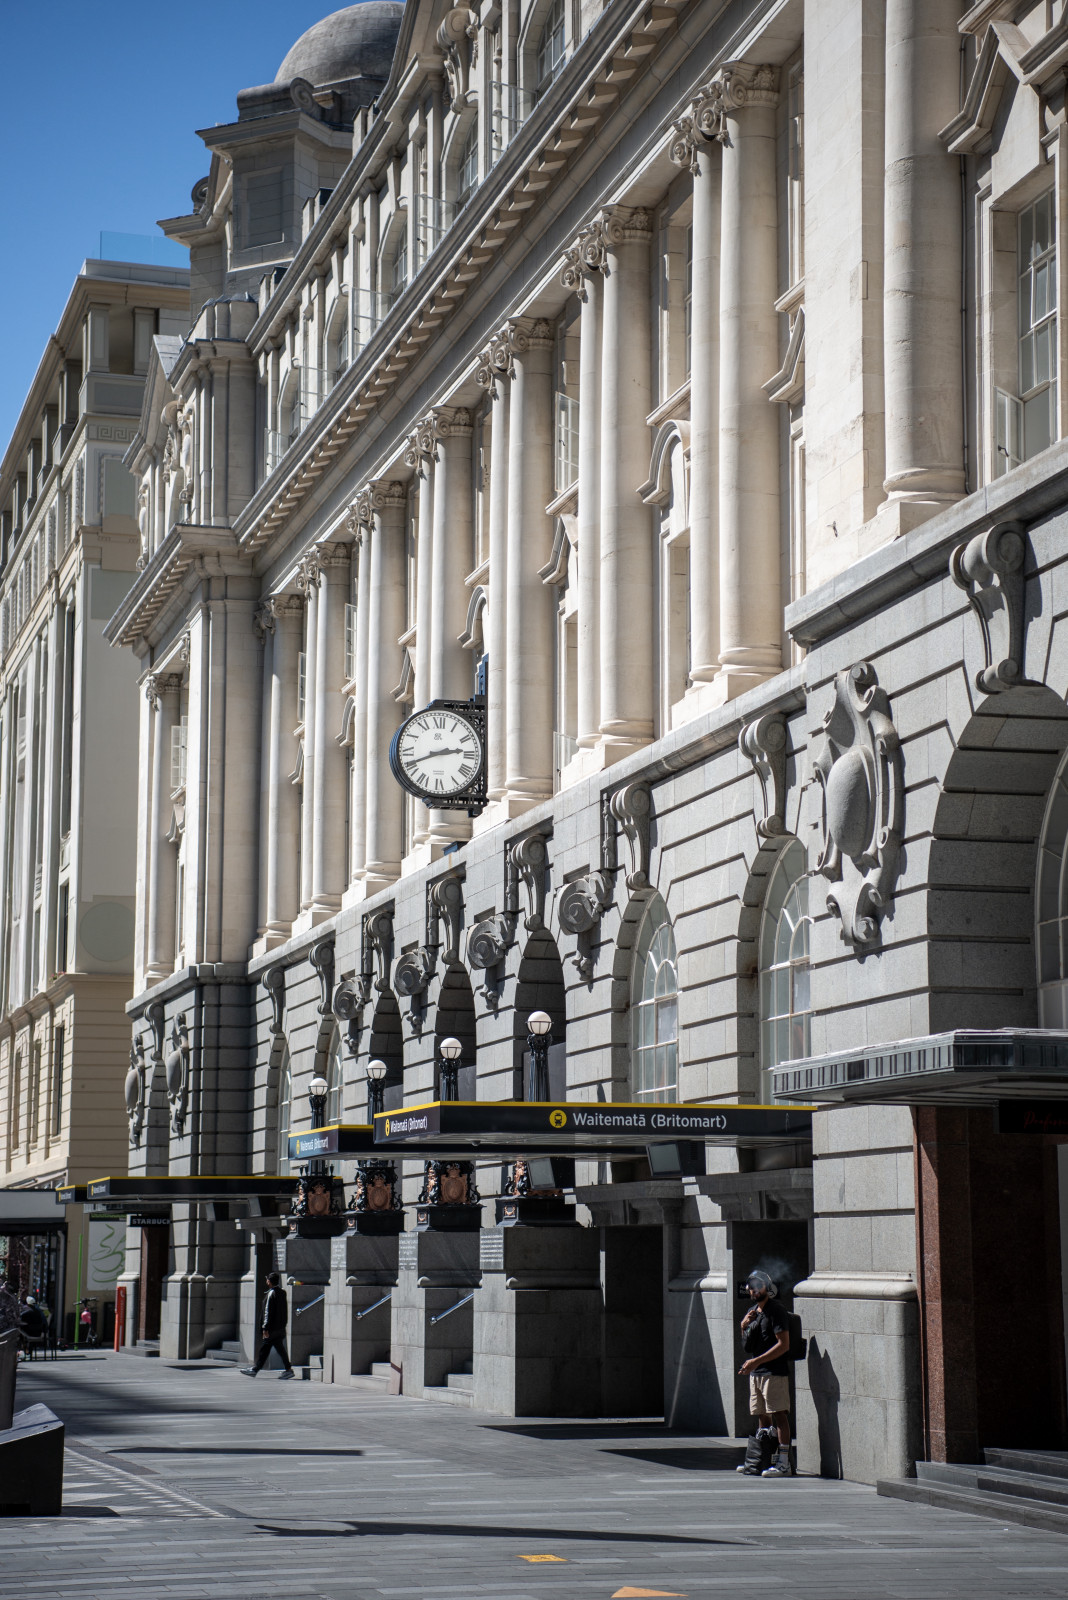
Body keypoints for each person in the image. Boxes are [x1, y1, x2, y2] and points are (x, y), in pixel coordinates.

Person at [737, 1269, 793, 1477]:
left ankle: (784, 1463)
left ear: (766, 1288)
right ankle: (761, 1459)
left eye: (757, 1285)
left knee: (779, 1414)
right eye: (750, 1286)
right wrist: (743, 1326)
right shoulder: (754, 1311)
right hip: (757, 1372)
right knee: (762, 1415)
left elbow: (783, 1345)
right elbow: (747, 1346)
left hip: (774, 1372)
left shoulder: (776, 1310)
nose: (752, 1289)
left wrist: (755, 1361)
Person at [241, 1271, 295, 1379]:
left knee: (265, 1349)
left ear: (269, 1282)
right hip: (279, 1327)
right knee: (278, 1349)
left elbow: (267, 1312)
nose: (266, 1281)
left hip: (272, 1329)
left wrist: (265, 1327)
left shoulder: (271, 1294)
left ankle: (255, 1369)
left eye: (267, 1279)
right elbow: (284, 1311)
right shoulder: (282, 1292)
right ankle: (288, 1369)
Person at [19, 1296, 47, 1361]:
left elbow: (20, 1320)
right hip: (38, 1333)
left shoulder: (25, 1312)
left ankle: (24, 1351)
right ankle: (28, 1352)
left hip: (28, 1333)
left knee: (20, 1334)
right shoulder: (39, 1312)